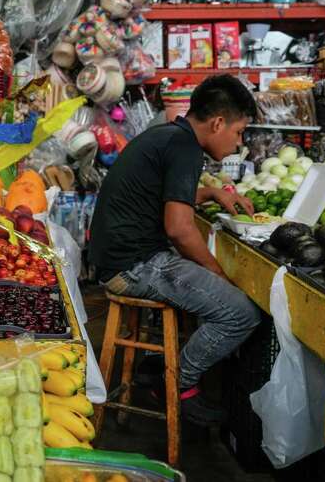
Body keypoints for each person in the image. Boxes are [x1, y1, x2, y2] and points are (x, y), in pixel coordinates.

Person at [89, 74, 262, 425]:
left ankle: (160, 369)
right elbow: (179, 229)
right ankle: (176, 384)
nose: (238, 143)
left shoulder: (166, 135)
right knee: (241, 312)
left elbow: (165, 198)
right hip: (133, 265)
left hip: (116, 258)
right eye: (239, 131)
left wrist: (212, 193)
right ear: (217, 123)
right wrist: (217, 274)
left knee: (219, 298)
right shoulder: (185, 149)